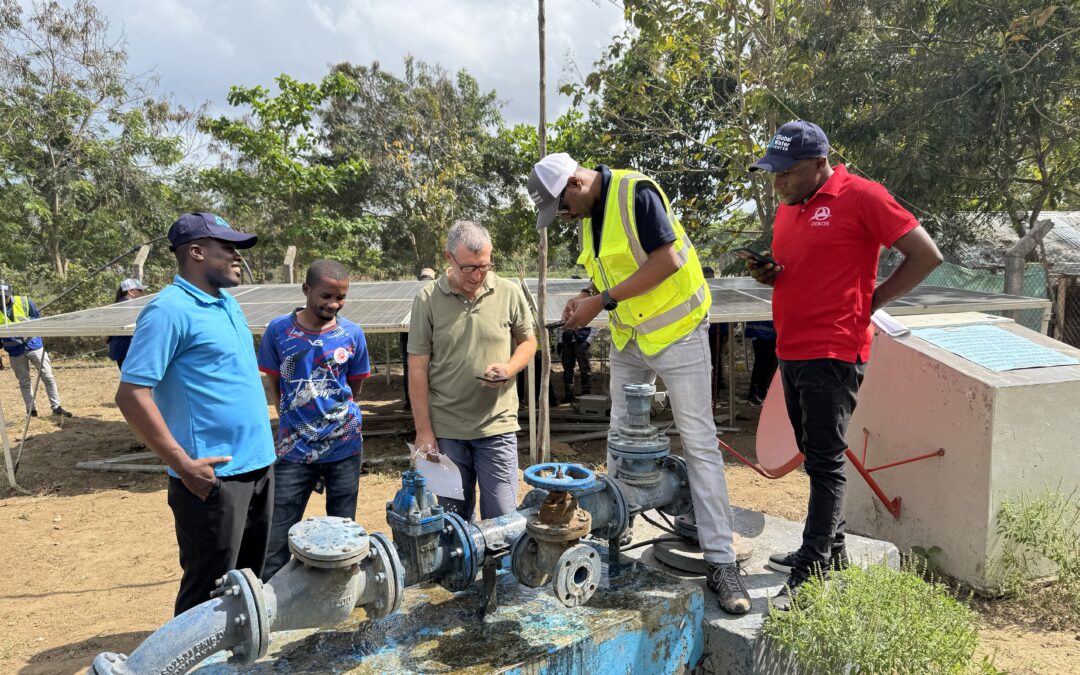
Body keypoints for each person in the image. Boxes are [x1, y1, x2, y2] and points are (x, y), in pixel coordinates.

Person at [529, 153, 751, 615]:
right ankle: (616, 519)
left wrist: (603, 300)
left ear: (574, 183)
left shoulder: (636, 192)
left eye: (562, 207)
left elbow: (667, 260)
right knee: (619, 435)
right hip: (631, 337)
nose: (564, 217)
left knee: (699, 442)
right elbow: (611, 276)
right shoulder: (590, 218)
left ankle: (721, 561)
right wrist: (587, 298)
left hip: (677, 333)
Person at [746, 121, 942, 610]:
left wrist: (871, 301)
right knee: (815, 458)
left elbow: (926, 254)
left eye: (787, 173)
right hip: (790, 348)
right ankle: (830, 553)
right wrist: (770, 275)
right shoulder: (792, 208)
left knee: (827, 461)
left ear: (818, 164)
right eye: (774, 174)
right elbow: (808, 269)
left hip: (833, 350)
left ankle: (812, 572)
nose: (779, 184)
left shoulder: (862, 196)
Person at [115, 212, 276, 616]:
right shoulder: (168, 310)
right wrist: (182, 464)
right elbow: (132, 393)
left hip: (258, 467)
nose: (238, 257)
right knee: (209, 595)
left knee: (249, 586)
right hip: (212, 478)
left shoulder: (227, 304)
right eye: (229, 249)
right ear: (197, 252)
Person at [407, 220, 537, 521]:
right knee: (453, 520)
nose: (478, 276)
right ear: (448, 258)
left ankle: (497, 570)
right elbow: (417, 368)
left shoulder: (508, 292)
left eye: (485, 266)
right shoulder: (427, 300)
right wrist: (424, 431)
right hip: (447, 431)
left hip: (497, 427)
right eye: (469, 268)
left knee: (502, 519)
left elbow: (529, 342)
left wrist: (508, 368)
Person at [258, 259, 370, 581]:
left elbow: (353, 385)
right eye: (326, 296)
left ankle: (336, 593)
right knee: (277, 533)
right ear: (306, 289)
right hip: (294, 450)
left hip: (344, 447)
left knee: (343, 532)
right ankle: (273, 599)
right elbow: (275, 381)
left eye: (341, 298)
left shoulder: (352, 334)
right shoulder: (279, 331)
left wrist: (333, 417)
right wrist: (292, 418)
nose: (334, 304)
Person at [0, 282, 72, 418]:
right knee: (24, 381)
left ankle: (56, 407)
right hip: (15, 351)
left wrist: (28, 322)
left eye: (5, 296)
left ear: (10, 294)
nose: (2, 300)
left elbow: (38, 319)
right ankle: (31, 410)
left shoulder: (25, 302)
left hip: (33, 344)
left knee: (48, 376)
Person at [399, 268, 437, 410]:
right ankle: (429, 400)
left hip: (407, 333)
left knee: (410, 367)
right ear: (433, 277)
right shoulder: (434, 290)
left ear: (421, 277)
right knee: (429, 366)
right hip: (426, 332)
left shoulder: (409, 289)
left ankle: (410, 402)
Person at [701, 265, 729, 401]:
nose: (708, 278)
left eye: (709, 276)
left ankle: (715, 389)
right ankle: (710, 389)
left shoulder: (719, 290)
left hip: (718, 331)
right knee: (707, 361)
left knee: (716, 359)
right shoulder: (700, 288)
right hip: (704, 331)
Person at [107, 278, 147, 370]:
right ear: (131, 291)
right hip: (125, 350)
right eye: (140, 290)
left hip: (122, 350)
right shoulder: (128, 306)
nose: (143, 293)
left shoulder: (121, 304)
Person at [744, 321, 777, 406]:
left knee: (764, 364)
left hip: (764, 333)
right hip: (763, 334)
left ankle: (758, 392)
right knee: (763, 364)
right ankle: (756, 393)